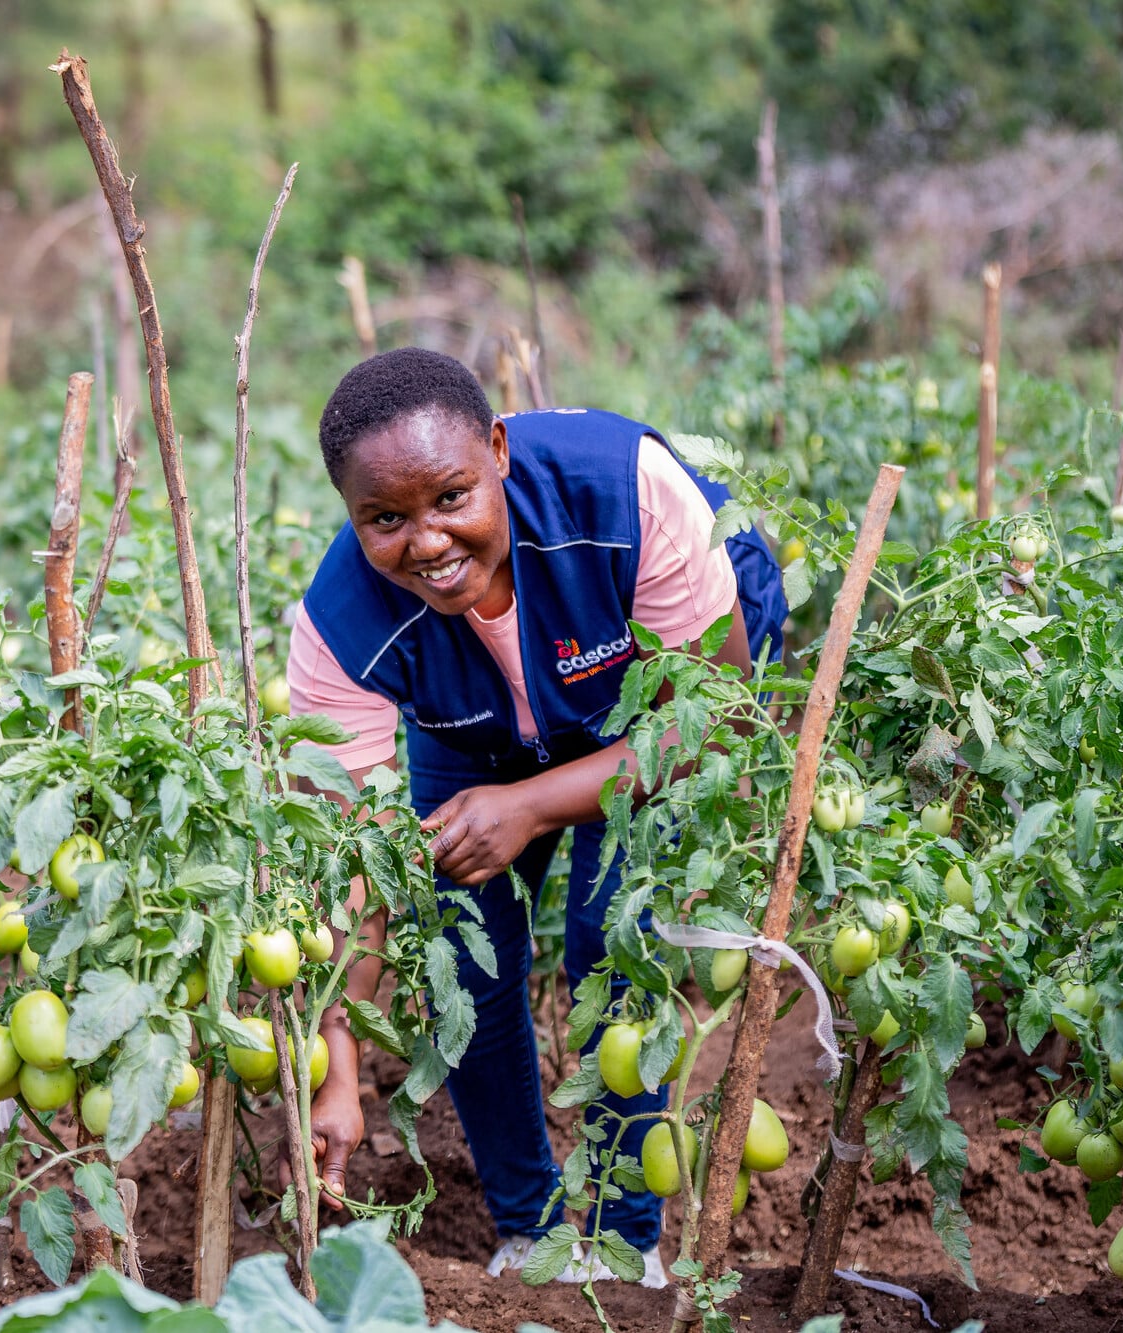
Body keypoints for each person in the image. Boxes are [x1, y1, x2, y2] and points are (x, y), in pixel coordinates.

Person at [285, 348, 785, 1285]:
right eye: (384, 520)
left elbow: (707, 726)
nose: (426, 541)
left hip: (654, 689)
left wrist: (526, 805)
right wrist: (339, 1067)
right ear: (350, 517)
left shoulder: (626, 498)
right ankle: (530, 1225)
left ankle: (630, 1236)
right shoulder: (339, 626)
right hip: (472, 718)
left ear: (500, 453)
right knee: (457, 936)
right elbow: (347, 866)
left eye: (450, 497)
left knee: (616, 936)